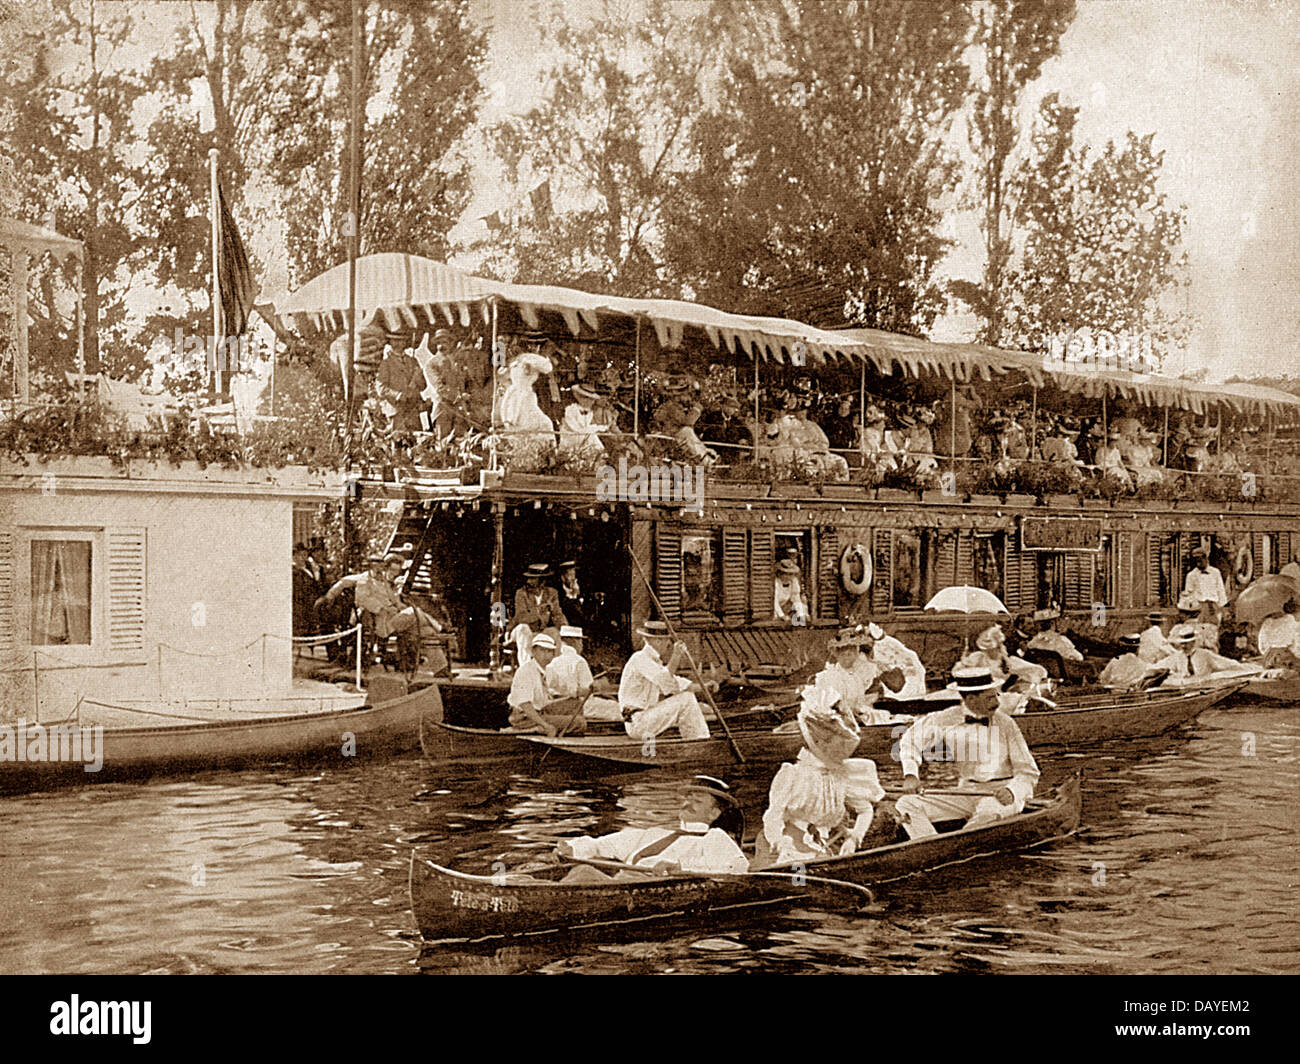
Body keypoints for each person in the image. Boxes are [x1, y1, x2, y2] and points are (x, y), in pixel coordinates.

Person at [753, 684, 894, 869]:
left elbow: (865, 810)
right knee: (797, 880)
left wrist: (854, 837)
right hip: (783, 846)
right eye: (836, 743)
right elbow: (773, 815)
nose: (841, 749)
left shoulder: (841, 775)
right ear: (819, 740)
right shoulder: (794, 774)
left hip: (821, 846)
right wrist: (779, 841)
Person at [894, 667, 1040, 839]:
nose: (997, 703)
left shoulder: (1006, 723)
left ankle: (957, 843)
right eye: (989, 698)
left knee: (987, 812)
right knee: (907, 803)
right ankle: (930, 845)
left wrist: (1013, 791)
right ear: (970, 699)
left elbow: (1029, 772)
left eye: (996, 696)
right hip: (966, 792)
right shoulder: (945, 718)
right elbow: (909, 741)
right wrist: (910, 775)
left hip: (1002, 794)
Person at [555, 776, 747, 881]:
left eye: (697, 801)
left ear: (713, 814)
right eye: (687, 798)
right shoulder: (656, 833)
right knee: (582, 868)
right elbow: (604, 845)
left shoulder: (714, 837)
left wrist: (682, 868)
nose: (688, 803)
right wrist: (573, 848)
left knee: (584, 872)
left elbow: (738, 867)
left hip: (639, 888)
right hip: (619, 884)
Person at [317, 553, 445, 671]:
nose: (379, 568)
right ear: (370, 566)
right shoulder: (364, 580)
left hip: (393, 620)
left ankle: (441, 669)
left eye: (380, 564)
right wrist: (330, 596)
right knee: (415, 612)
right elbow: (361, 598)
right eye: (376, 564)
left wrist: (401, 608)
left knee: (427, 630)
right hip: (381, 623)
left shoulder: (383, 582)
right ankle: (441, 627)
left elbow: (396, 602)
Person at [618, 620, 711, 741]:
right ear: (658, 641)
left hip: (644, 719)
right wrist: (676, 655)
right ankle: (699, 741)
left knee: (687, 696)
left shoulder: (653, 662)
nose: (668, 644)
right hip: (638, 723)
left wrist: (705, 687)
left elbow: (675, 683)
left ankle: (697, 739)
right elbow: (666, 680)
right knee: (686, 699)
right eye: (667, 640)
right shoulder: (640, 659)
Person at [504, 633, 584, 736]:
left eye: (549, 651)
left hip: (540, 710)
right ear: (533, 652)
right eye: (542, 650)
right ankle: (561, 732)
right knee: (580, 722)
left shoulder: (547, 670)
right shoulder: (526, 671)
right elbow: (525, 705)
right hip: (524, 717)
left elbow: (563, 688)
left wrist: (583, 690)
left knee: (576, 703)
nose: (546, 655)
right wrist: (545, 725)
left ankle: (566, 730)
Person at [546, 625, 621, 722]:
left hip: (559, 705)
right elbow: (587, 691)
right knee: (615, 707)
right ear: (574, 641)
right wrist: (597, 686)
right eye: (580, 641)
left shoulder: (552, 662)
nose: (581, 644)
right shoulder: (579, 661)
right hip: (580, 706)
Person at [508, 563, 567, 664]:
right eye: (529, 578)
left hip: (541, 630)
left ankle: (554, 668)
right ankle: (526, 668)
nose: (529, 581)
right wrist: (539, 610)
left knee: (554, 632)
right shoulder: (521, 593)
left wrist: (565, 628)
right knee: (523, 629)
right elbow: (521, 617)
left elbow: (558, 614)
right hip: (519, 631)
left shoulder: (551, 593)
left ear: (542, 581)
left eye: (533, 579)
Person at [958, 625, 1049, 689]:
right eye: (985, 648)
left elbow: (1038, 671)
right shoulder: (978, 657)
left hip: (1000, 696)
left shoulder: (1008, 661)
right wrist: (965, 655)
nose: (989, 650)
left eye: (993, 648)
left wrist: (1016, 687)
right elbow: (960, 671)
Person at [374, 342, 428, 435]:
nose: (399, 344)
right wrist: (398, 395)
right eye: (396, 341)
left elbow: (423, 386)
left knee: (416, 442)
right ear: (391, 343)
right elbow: (381, 388)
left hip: (413, 409)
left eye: (402, 340)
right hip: (396, 410)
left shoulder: (413, 361)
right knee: (397, 440)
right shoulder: (386, 363)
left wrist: (417, 378)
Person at [558, 381, 610, 462]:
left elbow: (586, 429)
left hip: (583, 437)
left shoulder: (589, 412)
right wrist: (596, 428)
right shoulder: (570, 410)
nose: (592, 402)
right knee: (591, 436)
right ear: (582, 399)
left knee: (592, 437)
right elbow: (576, 429)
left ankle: (599, 457)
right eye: (590, 399)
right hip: (570, 438)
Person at [1183, 548, 1228, 624]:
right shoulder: (1191, 575)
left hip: (1214, 607)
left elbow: (1221, 591)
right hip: (1199, 608)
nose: (1199, 562)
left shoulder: (1215, 572)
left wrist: (1222, 609)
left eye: (1201, 559)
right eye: (1196, 560)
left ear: (1206, 558)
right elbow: (1189, 594)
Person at [774, 557, 809, 626]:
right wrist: (782, 616)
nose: (788, 577)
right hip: (774, 610)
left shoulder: (794, 581)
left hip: (784, 607)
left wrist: (801, 614)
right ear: (780, 574)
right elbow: (774, 602)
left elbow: (796, 598)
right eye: (786, 574)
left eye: (791, 574)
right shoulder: (775, 583)